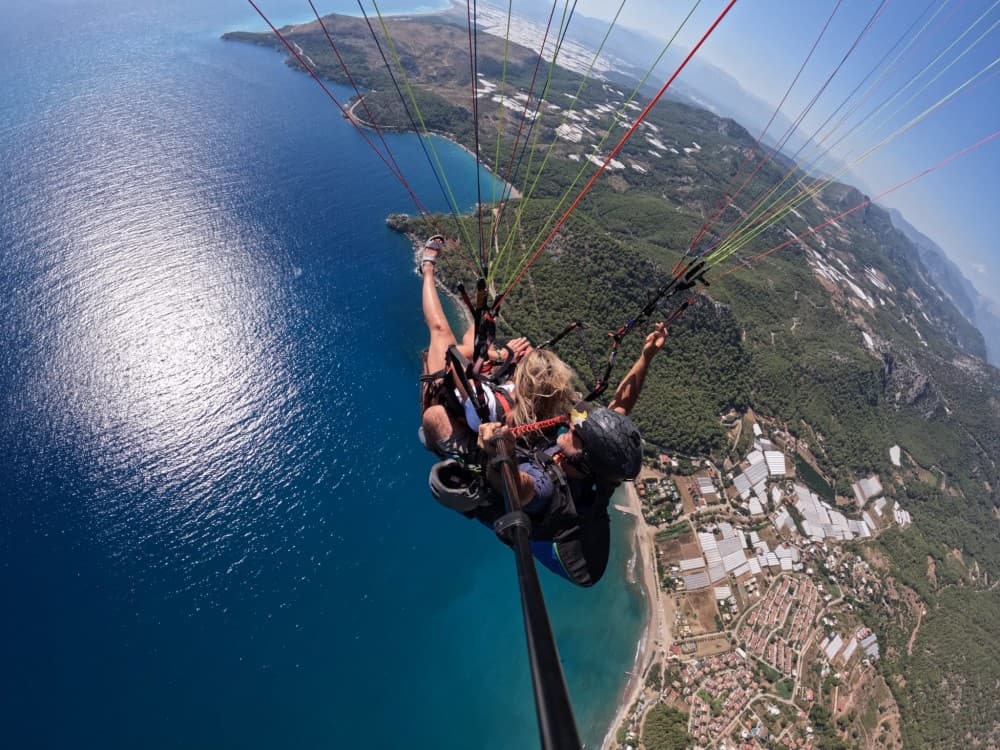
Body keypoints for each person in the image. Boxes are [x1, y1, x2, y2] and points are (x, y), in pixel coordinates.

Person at [477, 321, 668, 587]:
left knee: (479, 499)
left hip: (562, 552)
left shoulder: (547, 488)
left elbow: (519, 489)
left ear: (583, 457)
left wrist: (500, 453)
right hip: (587, 528)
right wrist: (646, 356)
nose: (572, 425)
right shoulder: (604, 464)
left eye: (577, 434)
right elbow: (620, 408)